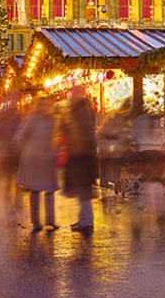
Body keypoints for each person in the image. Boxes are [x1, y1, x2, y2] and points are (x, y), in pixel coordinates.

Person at [16, 97, 59, 231]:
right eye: (43, 105)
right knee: (35, 190)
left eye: (48, 105)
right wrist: (29, 148)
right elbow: (20, 136)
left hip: (47, 159)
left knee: (50, 190)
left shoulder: (52, 120)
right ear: (38, 106)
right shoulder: (32, 119)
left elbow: (54, 136)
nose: (46, 108)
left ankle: (50, 220)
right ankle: (36, 222)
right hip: (34, 159)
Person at [62, 88, 97, 233]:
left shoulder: (80, 111)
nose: (70, 97)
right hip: (82, 155)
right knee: (82, 190)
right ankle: (84, 219)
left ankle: (87, 221)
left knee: (83, 190)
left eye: (72, 95)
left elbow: (79, 133)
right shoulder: (82, 109)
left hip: (81, 156)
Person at [97, 105, 129, 192]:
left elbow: (99, 134)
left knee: (104, 167)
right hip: (115, 150)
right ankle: (116, 185)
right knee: (115, 167)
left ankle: (104, 184)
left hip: (104, 149)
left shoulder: (106, 120)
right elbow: (122, 135)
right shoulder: (120, 120)